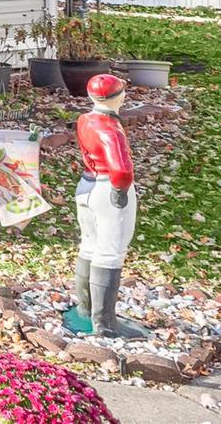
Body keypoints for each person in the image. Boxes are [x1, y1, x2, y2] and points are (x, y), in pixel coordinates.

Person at [64, 72, 145, 338]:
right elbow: (121, 169)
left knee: (89, 245)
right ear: (117, 97)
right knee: (110, 250)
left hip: (86, 185)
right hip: (107, 188)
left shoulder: (85, 119)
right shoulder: (111, 129)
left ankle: (86, 308)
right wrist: (120, 192)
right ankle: (105, 321)